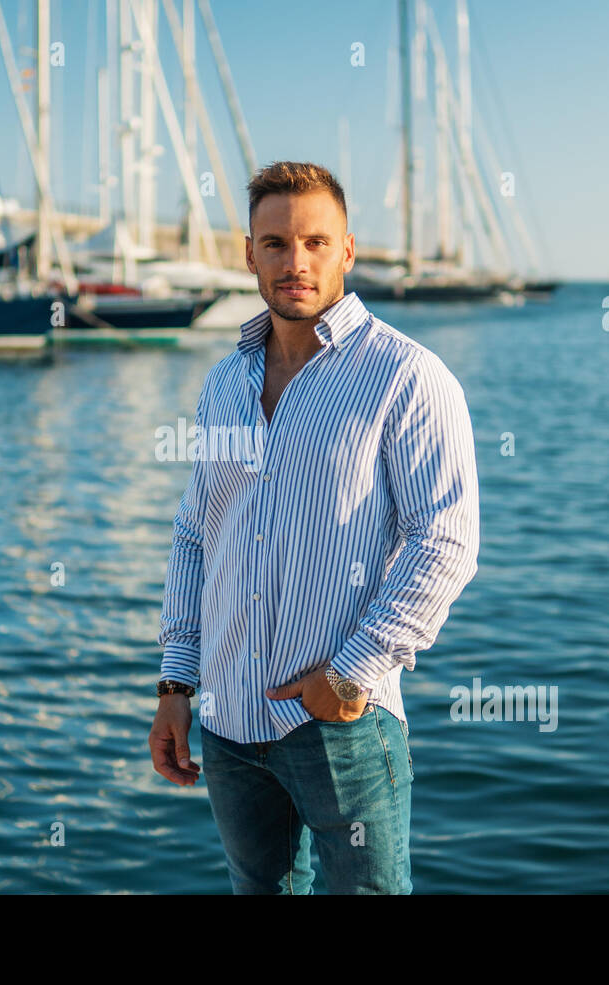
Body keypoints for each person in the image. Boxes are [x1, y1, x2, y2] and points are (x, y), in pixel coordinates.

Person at [149, 160, 480, 894]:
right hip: (230, 724)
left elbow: (446, 542)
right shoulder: (225, 381)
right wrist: (177, 682)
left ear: (348, 251)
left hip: (343, 725)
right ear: (249, 254)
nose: (295, 262)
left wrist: (351, 671)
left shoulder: (407, 376)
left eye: (315, 243)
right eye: (275, 244)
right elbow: (196, 534)